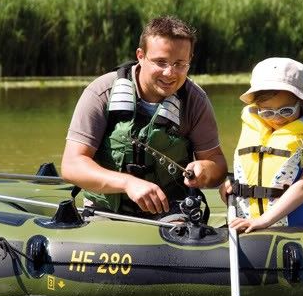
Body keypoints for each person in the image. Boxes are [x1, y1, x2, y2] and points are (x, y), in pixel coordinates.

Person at [62, 16, 227, 218]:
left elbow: (217, 164)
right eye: (160, 62)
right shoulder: (101, 91)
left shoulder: (195, 101)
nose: (169, 73)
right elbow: (71, 165)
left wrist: (205, 170)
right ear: (140, 55)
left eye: (179, 64)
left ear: (190, 61)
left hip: (171, 214)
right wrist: (128, 183)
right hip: (104, 212)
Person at [225, 57, 303, 233]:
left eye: (286, 110)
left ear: (302, 103)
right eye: (267, 112)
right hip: (248, 224)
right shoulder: (255, 130)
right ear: (257, 108)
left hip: (296, 229)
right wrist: (231, 186)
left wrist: (263, 221)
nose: (277, 118)